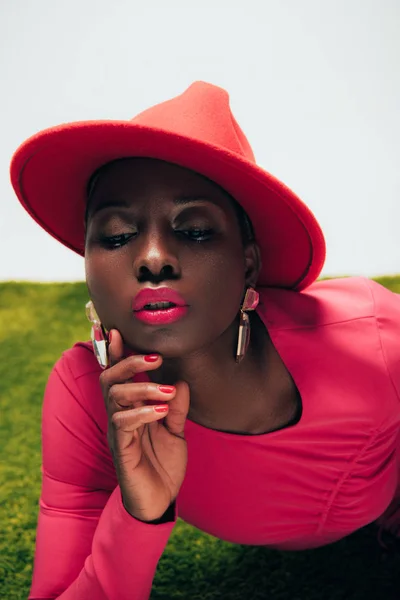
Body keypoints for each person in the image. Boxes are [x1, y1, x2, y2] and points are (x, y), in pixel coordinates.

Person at [10, 81, 400, 600]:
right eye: (116, 234)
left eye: (194, 230)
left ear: (248, 264)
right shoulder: (86, 392)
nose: (152, 258)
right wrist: (139, 514)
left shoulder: (373, 337)